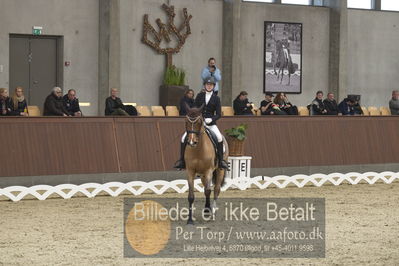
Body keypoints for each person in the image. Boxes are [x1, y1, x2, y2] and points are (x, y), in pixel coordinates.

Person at [174, 76, 229, 170]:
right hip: (198, 123)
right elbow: (194, 108)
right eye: (207, 84)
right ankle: (182, 161)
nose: (209, 86)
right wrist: (196, 117)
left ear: (213, 86)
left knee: (219, 138)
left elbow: (219, 114)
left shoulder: (216, 98)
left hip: (210, 123)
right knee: (183, 138)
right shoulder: (200, 96)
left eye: (211, 85)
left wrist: (211, 119)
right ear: (204, 85)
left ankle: (220, 161)